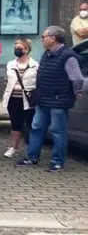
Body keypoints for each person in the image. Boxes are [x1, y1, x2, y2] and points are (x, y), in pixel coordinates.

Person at [17, 26, 83, 172]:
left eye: (43, 37)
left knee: (58, 131)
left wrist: (76, 92)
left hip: (59, 100)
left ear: (53, 38)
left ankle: (57, 162)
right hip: (43, 99)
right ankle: (32, 157)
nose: (42, 40)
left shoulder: (68, 56)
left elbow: (77, 78)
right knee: (36, 128)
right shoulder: (46, 54)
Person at [2, 39, 38, 158]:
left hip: (28, 99)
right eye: (15, 47)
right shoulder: (10, 64)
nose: (17, 50)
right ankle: (13, 147)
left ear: (26, 49)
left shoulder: (35, 65)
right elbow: (6, 80)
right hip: (13, 99)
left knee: (31, 124)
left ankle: (31, 148)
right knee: (15, 124)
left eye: (19, 48)